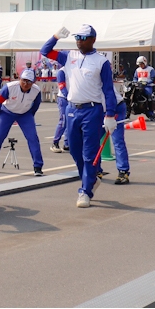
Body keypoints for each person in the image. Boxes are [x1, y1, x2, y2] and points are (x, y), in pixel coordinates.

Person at [41, 24, 117, 208]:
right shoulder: (69, 56)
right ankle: (91, 179)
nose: (79, 41)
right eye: (77, 38)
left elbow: (108, 90)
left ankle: (85, 191)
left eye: (83, 38)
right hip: (72, 109)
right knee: (75, 151)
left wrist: (110, 115)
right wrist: (55, 37)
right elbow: (45, 51)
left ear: (93, 40)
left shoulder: (101, 62)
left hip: (92, 110)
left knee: (89, 153)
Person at [0, 68, 44, 176]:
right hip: (7, 112)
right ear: (19, 79)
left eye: (29, 82)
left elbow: (36, 105)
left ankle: (38, 166)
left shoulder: (36, 90)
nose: (26, 84)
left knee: (33, 138)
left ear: (33, 82)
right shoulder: (9, 87)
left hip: (25, 114)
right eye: (24, 80)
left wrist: (30, 115)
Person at [50, 67, 69, 153]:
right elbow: (62, 86)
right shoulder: (62, 71)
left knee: (70, 121)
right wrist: (69, 96)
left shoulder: (75, 70)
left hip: (73, 99)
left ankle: (67, 144)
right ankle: (55, 142)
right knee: (63, 121)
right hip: (64, 98)